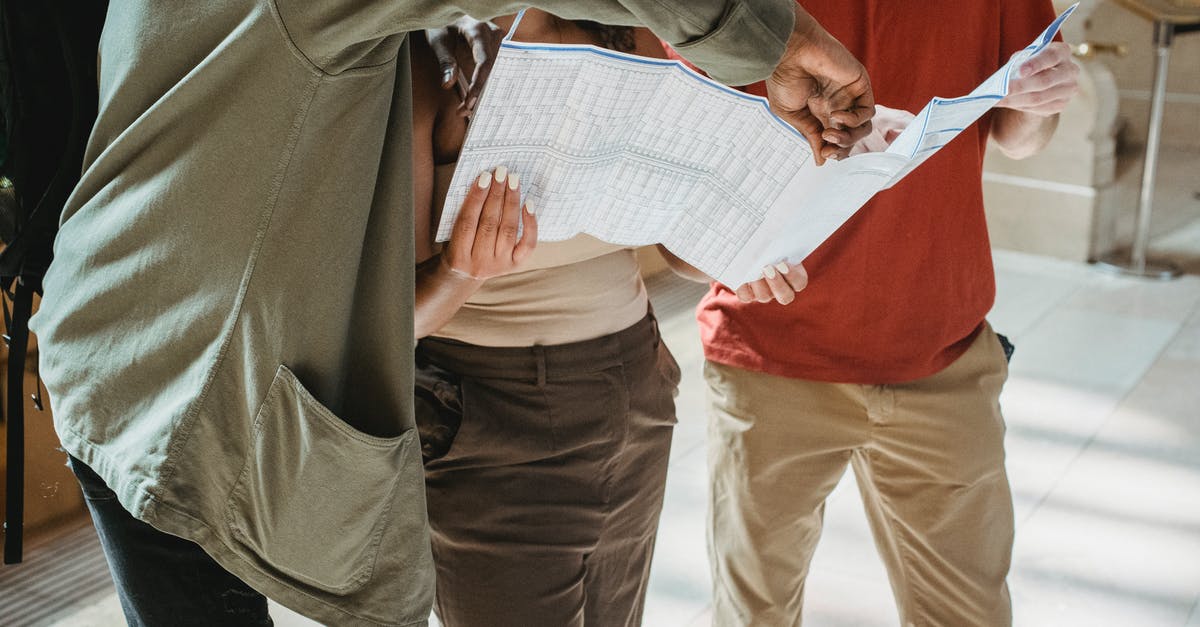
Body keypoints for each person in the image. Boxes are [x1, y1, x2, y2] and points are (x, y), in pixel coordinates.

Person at [26, 1, 875, 625]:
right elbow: (378, 307)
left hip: (624, 384)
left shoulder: (614, 44)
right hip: (178, 382)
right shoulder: (419, 55)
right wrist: (777, 38)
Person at [678, 2, 1080, 626]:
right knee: (752, 612)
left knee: (970, 613)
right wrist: (721, 253)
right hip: (770, 353)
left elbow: (1018, 133)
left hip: (942, 351)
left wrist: (1039, 102)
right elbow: (686, 168)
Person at [410, 15, 685, 627]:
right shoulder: (426, 60)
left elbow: (679, 249)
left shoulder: (627, 32)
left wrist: (750, 246)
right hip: (492, 419)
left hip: (636, 389)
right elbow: (384, 321)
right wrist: (461, 273)